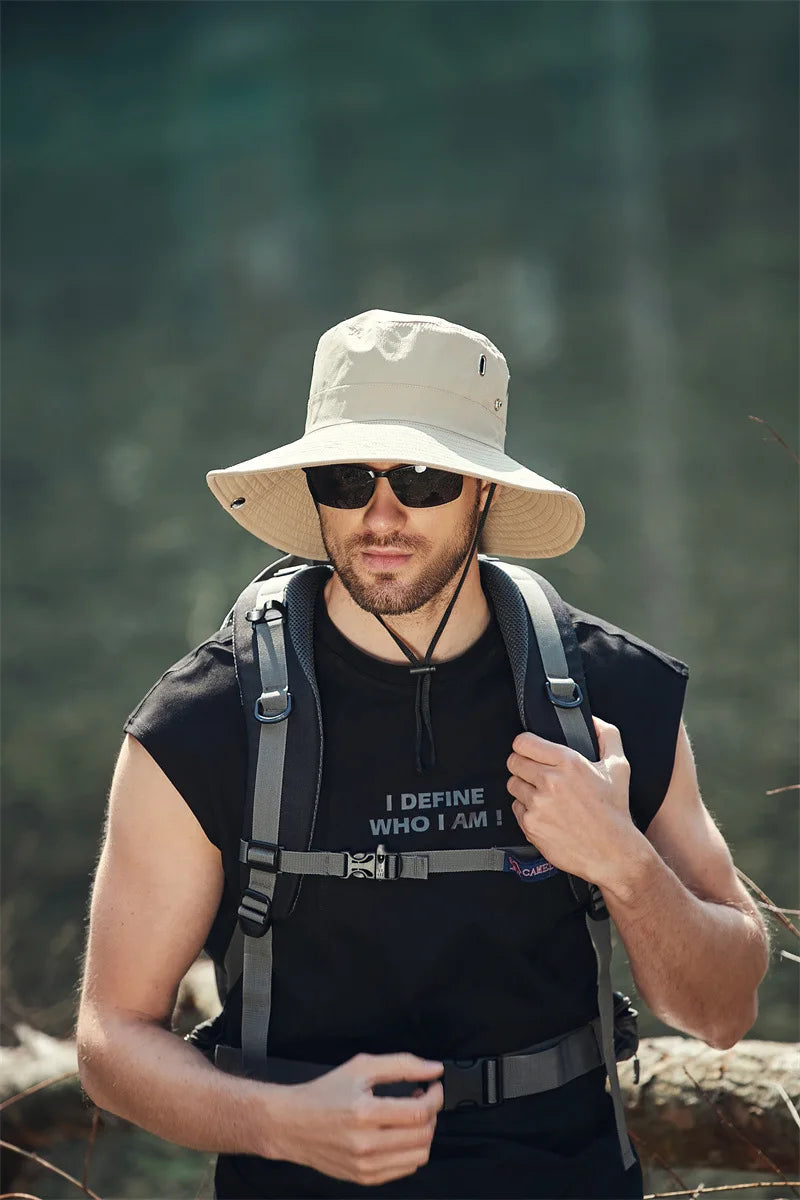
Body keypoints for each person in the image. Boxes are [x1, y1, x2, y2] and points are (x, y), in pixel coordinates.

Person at [77, 310, 768, 1200]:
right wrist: (281, 1122)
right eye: (345, 477)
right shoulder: (201, 725)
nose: (382, 514)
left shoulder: (612, 698)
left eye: (422, 478)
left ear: (483, 492)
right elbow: (111, 1038)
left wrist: (623, 863)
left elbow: (721, 1012)